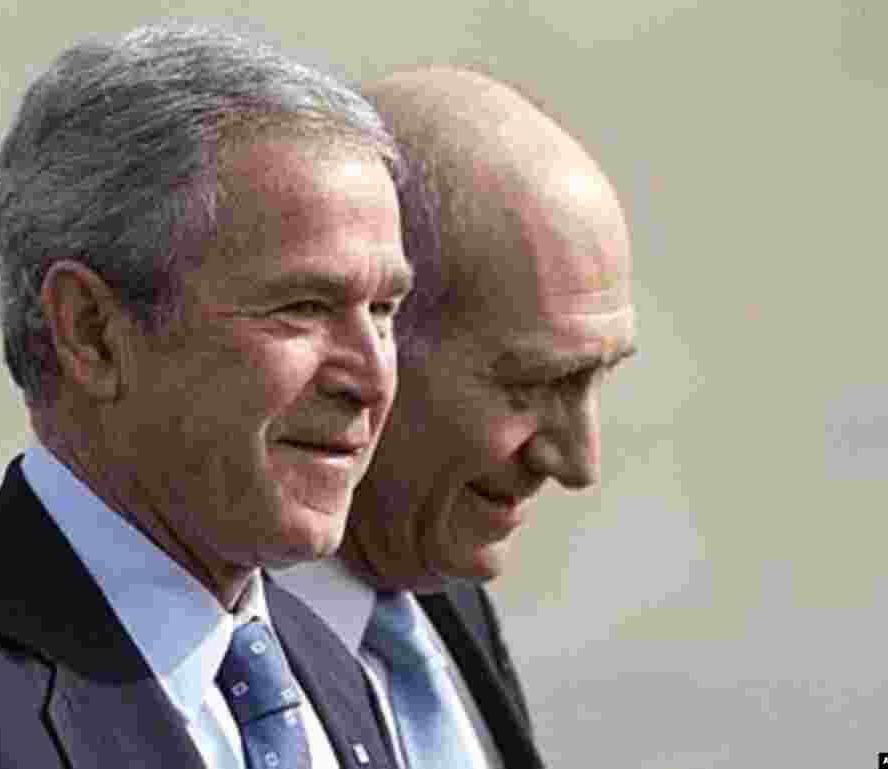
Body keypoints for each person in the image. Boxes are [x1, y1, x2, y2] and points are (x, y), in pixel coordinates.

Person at [0, 23, 415, 769]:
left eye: (384, 310)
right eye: (303, 305)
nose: (370, 374)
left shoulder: (326, 670)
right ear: (93, 331)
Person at [273, 68, 637, 769]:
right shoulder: (184, 675)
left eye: (600, 375)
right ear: (369, 340)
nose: (579, 460)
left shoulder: (437, 587)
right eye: (533, 385)